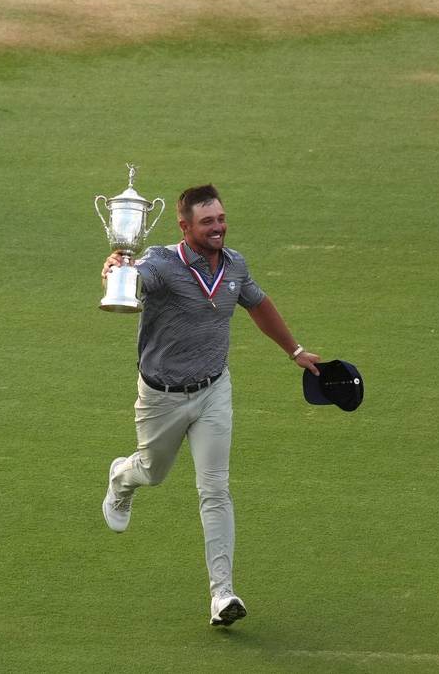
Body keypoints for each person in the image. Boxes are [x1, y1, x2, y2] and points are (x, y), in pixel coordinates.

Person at [99, 183, 321, 627]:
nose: (218, 227)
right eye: (207, 222)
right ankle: (122, 479)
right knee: (153, 471)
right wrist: (116, 271)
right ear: (184, 227)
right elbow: (135, 279)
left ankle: (223, 594)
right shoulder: (162, 263)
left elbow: (258, 305)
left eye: (220, 218)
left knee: (215, 489)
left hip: (214, 390)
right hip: (161, 396)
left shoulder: (235, 264)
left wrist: (295, 351)